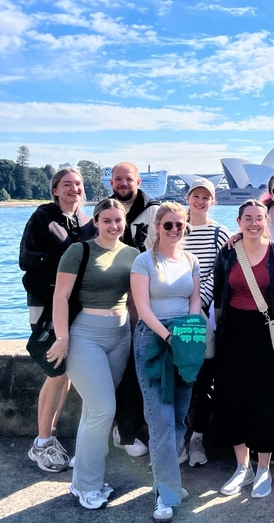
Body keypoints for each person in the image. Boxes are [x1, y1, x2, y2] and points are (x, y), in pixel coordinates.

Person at [48, 199, 139, 509]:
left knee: (94, 411)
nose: (114, 225)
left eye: (119, 220)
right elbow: (60, 296)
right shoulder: (80, 251)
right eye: (107, 220)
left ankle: (81, 482)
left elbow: (136, 299)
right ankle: (89, 485)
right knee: (102, 409)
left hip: (121, 335)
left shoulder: (132, 254)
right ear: (97, 222)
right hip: (86, 335)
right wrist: (62, 338)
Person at [212, 200, 274, 499]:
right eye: (248, 218)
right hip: (233, 332)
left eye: (259, 218)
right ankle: (242, 466)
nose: (254, 223)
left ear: (266, 221)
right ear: (238, 221)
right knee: (233, 400)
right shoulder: (228, 253)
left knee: (266, 401)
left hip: (266, 333)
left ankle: (263, 468)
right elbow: (220, 297)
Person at [18, 167, 96, 473]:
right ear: (55, 189)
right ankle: (42, 442)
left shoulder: (88, 222)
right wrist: (67, 264)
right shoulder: (42, 218)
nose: (73, 189)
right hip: (46, 305)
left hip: (77, 306)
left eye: (78, 184)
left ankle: (48, 439)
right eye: (67, 184)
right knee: (55, 370)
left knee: (66, 374)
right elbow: (26, 260)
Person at [130, 202, 202, 522]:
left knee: (178, 417)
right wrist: (169, 337)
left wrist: (190, 332)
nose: (175, 230)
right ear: (157, 227)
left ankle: (167, 482)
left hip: (185, 337)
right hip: (153, 340)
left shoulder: (190, 259)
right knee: (160, 418)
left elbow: (195, 300)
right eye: (168, 225)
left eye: (180, 225)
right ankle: (164, 494)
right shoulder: (144, 261)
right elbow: (143, 308)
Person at [109, 161, 159, 459]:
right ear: (111, 182)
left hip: (144, 300)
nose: (124, 183)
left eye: (128, 179)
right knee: (121, 365)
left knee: (141, 363)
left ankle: (134, 428)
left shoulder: (153, 212)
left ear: (138, 181)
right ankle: (123, 429)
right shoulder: (108, 211)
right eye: (118, 179)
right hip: (111, 300)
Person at [182, 177, 230, 467]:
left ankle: (198, 436)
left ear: (213, 201)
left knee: (204, 378)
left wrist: (197, 303)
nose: (200, 201)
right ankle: (177, 437)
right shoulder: (176, 226)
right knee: (179, 377)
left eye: (206, 197)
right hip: (175, 312)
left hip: (204, 316)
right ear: (188, 198)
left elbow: (219, 271)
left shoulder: (219, 232)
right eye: (195, 196)